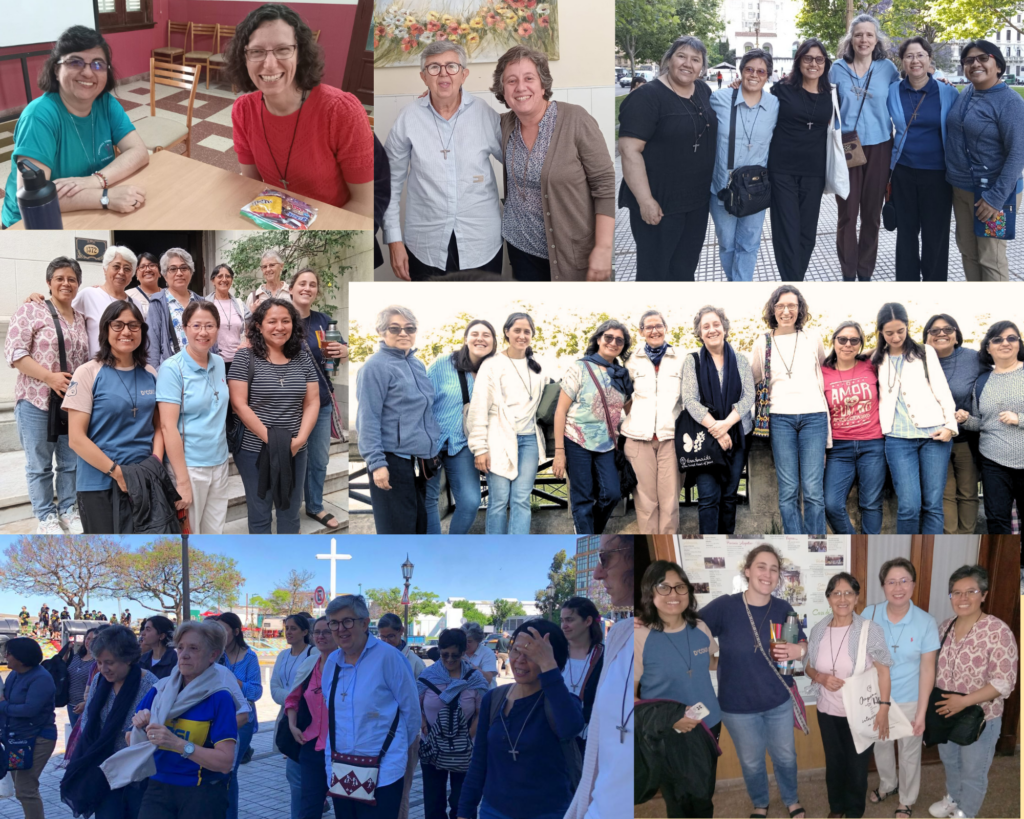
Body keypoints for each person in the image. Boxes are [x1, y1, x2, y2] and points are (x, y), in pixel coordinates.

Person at [226, 3, 373, 215]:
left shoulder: (341, 111)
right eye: (257, 51)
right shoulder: (243, 110)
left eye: (283, 50)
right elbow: (252, 186)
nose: (269, 64)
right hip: (277, 221)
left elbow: (363, 206)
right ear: (244, 58)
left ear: (300, 54)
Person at [697, 544, 808, 819]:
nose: (767, 574)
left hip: (778, 702)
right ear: (747, 571)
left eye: (774, 569)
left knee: (786, 758)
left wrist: (799, 650)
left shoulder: (782, 607)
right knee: (751, 762)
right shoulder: (726, 606)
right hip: (736, 707)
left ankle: (791, 799)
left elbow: (802, 642)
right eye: (761, 566)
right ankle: (760, 803)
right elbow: (690, 628)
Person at [1, 25, 147, 229]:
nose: (88, 72)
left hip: (88, 209)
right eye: (75, 62)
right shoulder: (39, 116)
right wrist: (104, 197)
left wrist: (95, 181)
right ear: (56, 69)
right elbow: (33, 196)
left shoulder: (105, 103)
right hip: (33, 222)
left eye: (98, 64)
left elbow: (139, 151)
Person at [493, 46, 614, 281]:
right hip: (520, 249)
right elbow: (465, 117)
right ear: (502, 89)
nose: (520, 87)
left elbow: (605, 185)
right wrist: (439, 99)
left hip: (572, 251)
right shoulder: (503, 124)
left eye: (529, 78)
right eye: (511, 81)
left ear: (543, 84)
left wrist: (604, 248)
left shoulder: (575, 119)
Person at [384, 42, 504, 280]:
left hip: (481, 243)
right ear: (423, 77)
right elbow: (389, 184)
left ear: (464, 74)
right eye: (434, 68)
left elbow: (517, 162)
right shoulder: (408, 118)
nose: (443, 74)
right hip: (424, 244)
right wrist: (394, 240)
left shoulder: (485, 114)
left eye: (451, 66)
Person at [457, 619, 584, 819]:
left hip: (549, 812)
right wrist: (464, 812)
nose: (519, 660)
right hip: (494, 811)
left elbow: (570, 727)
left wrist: (549, 666)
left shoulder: (561, 703)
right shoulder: (494, 699)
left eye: (531, 654)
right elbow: (479, 762)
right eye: (516, 650)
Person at [619, 36, 717, 281]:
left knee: (685, 270)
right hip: (660, 204)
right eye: (681, 56)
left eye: (696, 60)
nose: (688, 64)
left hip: (696, 203)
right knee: (655, 273)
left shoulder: (703, 90)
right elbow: (630, 150)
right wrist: (645, 201)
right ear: (669, 60)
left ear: (702, 67)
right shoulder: (646, 97)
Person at [5, 256, 89, 534]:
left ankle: (68, 509)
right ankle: (45, 516)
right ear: (48, 282)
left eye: (72, 279)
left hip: (70, 403)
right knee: (39, 464)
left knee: (70, 461)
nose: (66, 283)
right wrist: (49, 377)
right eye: (60, 278)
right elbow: (16, 353)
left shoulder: (81, 319)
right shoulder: (31, 311)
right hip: (36, 399)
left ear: (78, 284)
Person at [64, 300, 164, 534]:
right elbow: (76, 439)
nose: (126, 331)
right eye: (117, 325)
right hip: (99, 483)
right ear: (105, 330)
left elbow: (159, 427)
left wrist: (155, 463)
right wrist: (118, 473)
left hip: (144, 478)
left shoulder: (150, 373)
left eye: (133, 325)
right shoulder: (88, 372)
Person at [123, 620, 238, 819]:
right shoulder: (161, 689)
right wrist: (140, 727)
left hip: (201, 792)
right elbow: (129, 739)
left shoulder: (220, 697)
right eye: (180, 647)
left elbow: (225, 762)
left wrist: (177, 743)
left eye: (193, 648)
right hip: (157, 786)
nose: (184, 655)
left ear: (212, 655)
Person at [928, 565, 1018, 819]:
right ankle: (953, 798)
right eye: (956, 593)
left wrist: (964, 701)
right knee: (951, 762)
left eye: (971, 591)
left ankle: (966, 811)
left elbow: (1004, 683)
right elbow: (931, 668)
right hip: (945, 711)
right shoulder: (944, 627)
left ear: (984, 595)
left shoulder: (997, 631)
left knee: (973, 770)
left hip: (981, 716)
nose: (962, 598)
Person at [634, 560, 721, 817]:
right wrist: (673, 719)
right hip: (666, 730)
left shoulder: (700, 628)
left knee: (704, 792)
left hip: (708, 723)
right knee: (678, 799)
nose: (674, 594)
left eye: (680, 587)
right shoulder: (639, 635)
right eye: (664, 587)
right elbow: (631, 694)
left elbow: (714, 662)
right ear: (650, 592)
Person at [322, 594, 420, 819]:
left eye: (347, 621)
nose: (340, 629)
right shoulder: (332, 663)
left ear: (365, 623)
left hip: (383, 772)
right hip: (342, 769)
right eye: (334, 623)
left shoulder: (389, 658)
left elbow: (411, 713)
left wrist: (398, 752)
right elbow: (333, 714)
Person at [805, 572, 894, 819]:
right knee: (834, 765)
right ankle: (837, 808)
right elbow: (807, 665)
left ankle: (854, 812)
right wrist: (820, 677)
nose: (842, 598)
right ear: (828, 598)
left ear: (856, 599)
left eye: (848, 593)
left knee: (856, 768)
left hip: (861, 713)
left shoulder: (869, 629)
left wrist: (884, 708)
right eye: (836, 593)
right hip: (827, 711)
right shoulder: (819, 629)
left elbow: (884, 672)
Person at [228, 298, 319, 534]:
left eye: (286, 321)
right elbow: (239, 405)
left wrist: (298, 441)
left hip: (295, 448)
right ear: (258, 325)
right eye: (272, 321)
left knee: (290, 510)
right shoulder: (244, 357)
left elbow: (312, 402)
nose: (280, 327)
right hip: (254, 449)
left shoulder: (302, 356)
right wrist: (273, 441)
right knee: (260, 510)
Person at [860, 558, 940, 819]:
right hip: (877, 698)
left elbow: (928, 669)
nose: (898, 587)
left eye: (904, 580)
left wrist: (921, 712)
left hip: (910, 700)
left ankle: (906, 799)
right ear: (883, 586)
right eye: (891, 581)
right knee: (881, 746)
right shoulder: (869, 615)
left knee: (909, 752)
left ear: (913, 584)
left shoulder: (926, 622)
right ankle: (888, 785)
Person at [564, 536, 634, 819]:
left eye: (605, 558)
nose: (596, 572)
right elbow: (597, 759)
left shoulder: (605, 647)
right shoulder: (621, 635)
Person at [750, 286, 830, 534]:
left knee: (814, 489)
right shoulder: (762, 341)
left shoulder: (812, 337)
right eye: (781, 306)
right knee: (788, 489)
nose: (786, 311)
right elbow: (755, 380)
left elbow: (825, 370)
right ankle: (796, 544)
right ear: (773, 309)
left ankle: (816, 544)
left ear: (800, 309)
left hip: (814, 416)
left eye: (792, 306)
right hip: (779, 417)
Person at [356, 305, 441, 534]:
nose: (403, 333)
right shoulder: (374, 368)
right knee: (397, 530)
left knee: (417, 527)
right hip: (391, 461)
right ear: (382, 332)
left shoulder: (417, 364)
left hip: (419, 461)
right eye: (395, 328)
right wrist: (377, 464)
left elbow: (426, 410)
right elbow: (368, 419)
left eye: (409, 328)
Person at [873, 302, 957, 534]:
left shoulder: (924, 352)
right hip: (898, 440)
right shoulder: (876, 359)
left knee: (932, 505)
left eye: (901, 330)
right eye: (889, 332)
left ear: (907, 327)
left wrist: (951, 426)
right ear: (880, 331)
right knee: (909, 506)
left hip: (934, 436)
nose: (896, 336)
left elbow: (942, 390)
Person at [945, 40, 1024, 281]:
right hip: (962, 190)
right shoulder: (968, 91)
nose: (975, 64)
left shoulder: (1010, 103)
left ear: (998, 66)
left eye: (982, 58)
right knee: (968, 253)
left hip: (992, 194)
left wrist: (996, 198)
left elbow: (1018, 153)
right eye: (969, 60)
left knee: (991, 259)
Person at [61, 624, 158, 819]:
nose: (103, 668)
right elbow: (89, 720)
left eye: (110, 662)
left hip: (137, 775)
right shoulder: (99, 681)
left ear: (128, 658)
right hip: (104, 771)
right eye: (99, 662)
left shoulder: (151, 686)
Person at [828, 15, 899, 281]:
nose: (864, 40)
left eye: (869, 35)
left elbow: (905, 93)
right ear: (850, 38)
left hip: (880, 146)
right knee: (848, 213)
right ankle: (848, 273)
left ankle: (865, 272)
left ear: (877, 39)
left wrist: (941, 82)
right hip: (847, 146)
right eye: (858, 34)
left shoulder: (887, 68)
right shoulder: (836, 68)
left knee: (871, 214)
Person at [887, 38, 960, 281]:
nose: (915, 61)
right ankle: (906, 283)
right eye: (909, 56)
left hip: (938, 175)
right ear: (902, 61)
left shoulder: (947, 92)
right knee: (906, 233)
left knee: (935, 235)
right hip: (903, 172)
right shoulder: (892, 91)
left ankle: (934, 283)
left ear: (929, 58)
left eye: (920, 55)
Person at [466, 312, 545, 535]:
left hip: (529, 439)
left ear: (532, 335)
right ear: (507, 333)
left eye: (527, 331)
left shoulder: (538, 366)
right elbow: (479, 408)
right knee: (498, 501)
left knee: (521, 499)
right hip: (498, 439)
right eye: (517, 330)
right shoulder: (492, 365)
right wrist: (480, 448)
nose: (522, 335)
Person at [157, 301, 231, 534]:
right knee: (190, 537)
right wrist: (182, 481)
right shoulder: (172, 369)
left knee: (214, 533)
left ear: (217, 329)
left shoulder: (219, 362)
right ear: (185, 328)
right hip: (190, 467)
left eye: (209, 325)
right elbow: (168, 427)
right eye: (196, 325)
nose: (203, 332)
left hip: (219, 462)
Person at [553, 320, 633, 535]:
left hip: (607, 443)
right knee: (583, 498)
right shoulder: (580, 367)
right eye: (608, 337)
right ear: (598, 339)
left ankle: (590, 531)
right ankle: (587, 537)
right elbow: (560, 411)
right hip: (576, 440)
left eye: (619, 340)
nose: (613, 343)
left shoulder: (622, 375)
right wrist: (559, 452)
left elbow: (630, 411)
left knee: (612, 494)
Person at [768, 39, 838, 281]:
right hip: (782, 170)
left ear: (825, 64)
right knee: (787, 230)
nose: (814, 64)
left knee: (807, 233)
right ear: (798, 61)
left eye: (819, 59)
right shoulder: (781, 90)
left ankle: (796, 277)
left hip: (815, 172)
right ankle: (793, 282)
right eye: (808, 58)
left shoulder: (831, 93)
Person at [682, 305, 755, 534]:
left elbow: (748, 396)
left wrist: (726, 425)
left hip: (738, 436)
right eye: (706, 326)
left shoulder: (741, 360)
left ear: (724, 327)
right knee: (708, 498)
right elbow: (690, 401)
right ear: (699, 332)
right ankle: (709, 550)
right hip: (704, 439)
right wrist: (717, 429)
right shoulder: (692, 361)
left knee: (729, 496)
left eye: (716, 324)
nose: (712, 330)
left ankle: (726, 546)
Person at [708, 49, 780, 281]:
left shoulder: (775, 104)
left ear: (767, 75)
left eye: (761, 71)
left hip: (755, 190)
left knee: (749, 244)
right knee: (727, 244)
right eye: (749, 69)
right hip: (723, 187)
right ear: (741, 72)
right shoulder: (718, 99)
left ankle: (742, 283)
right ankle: (734, 281)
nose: (754, 75)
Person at [426, 319, 497, 534]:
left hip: (464, 444)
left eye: (486, 335)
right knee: (429, 501)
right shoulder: (443, 363)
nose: (480, 339)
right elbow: (422, 400)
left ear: (494, 341)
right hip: (431, 443)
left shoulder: (495, 369)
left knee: (470, 501)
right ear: (465, 339)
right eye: (474, 334)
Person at [290, 268, 347, 530]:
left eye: (312, 284)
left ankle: (314, 505)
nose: (307, 288)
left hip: (321, 402)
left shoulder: (324, 320)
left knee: (319, 458)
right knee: (288, 456)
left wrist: (345, 349)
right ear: (291, 288)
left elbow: (341, 350)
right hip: (287, 403)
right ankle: (287, 506)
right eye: (302, 283)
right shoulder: (279, 315)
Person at [417, 628, 489, 819]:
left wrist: (466, 737)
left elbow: (482, 712)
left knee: (462, 803)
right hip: (432, 747)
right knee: (433, 803)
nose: (449, 660)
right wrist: (424, 726)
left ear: (464, 652)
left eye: (455, 656)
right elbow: (416, 706)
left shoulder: (475, 678)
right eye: (444, 655)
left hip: (465, 750)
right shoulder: (427, 676)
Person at [821, 320, 885, 534]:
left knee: (871, 504)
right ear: (833, 341)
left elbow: (890, 343)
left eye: (854, 340)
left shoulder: (871, 364)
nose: (847, 344)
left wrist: (868, 351)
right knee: (831, 504)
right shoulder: (822, 371)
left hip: (873, 445)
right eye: (842, 339)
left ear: (860, 343)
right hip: (839, 448)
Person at [621, 310, 682, 533]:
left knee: (670, 502)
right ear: (641, 332)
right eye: (649, 327)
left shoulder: (682, 358)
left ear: (666, 328)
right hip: (638, 440)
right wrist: (636, 416)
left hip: (671, 439)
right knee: (646, 504)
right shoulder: (630, 359)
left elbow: (687, 399)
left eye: (658, 326)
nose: (654, 331)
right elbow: (623, 396)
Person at [962, 321, 1024, 533]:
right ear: (988, 347)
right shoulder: (981, 381)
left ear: (1019, 344)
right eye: (997, 339)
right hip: (993, 462)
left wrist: (1020, 418)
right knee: (997, 520)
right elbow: (981, 423)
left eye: (1011, 338)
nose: (1005, 343)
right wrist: (964, 420)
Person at [922, 314, 982, 534]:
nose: (941, 334)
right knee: (944, 494)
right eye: (934, 330)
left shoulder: (974, 358)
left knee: (967, 492)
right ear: (926, 337)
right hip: (933, 439)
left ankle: (966, 535)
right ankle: (951, 538)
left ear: (957, 336)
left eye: (947, 329)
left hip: (966, 437)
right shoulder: (917, 359)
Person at [282, 616, 334, 819]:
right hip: (310, 745)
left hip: (340, 748)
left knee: (346, 805)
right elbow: (292, 698)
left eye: (326, 632)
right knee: (309, 807)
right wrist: (293, 726)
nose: (321, 636)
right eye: (317, 632)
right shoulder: (310, 665)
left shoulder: (347, 665)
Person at [376, 612, 426, 819]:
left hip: (406, 734)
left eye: (391, 637)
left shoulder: (414, 663)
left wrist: (412, 734)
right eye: (382, 637)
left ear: (401, 632)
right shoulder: (377, 657)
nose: (386, 641)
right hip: (379, 733)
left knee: (402, 790)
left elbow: (420, 702)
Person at [0, 638, 57, 819]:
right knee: (21, 786)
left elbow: (30, 709)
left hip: (38, 738)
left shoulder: (41, 678)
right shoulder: (14, 674)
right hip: (17, 738)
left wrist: (2, 706)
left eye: (9, 653)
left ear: (22, 658)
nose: (5, 656)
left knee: (26, 789)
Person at [215, 612, 263, 819]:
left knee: (229, 770)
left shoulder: (249, 657)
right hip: (216, 716)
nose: (218, 634)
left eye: (222, 630)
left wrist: (233, 681)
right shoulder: (215, 654)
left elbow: (256, 692)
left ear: (235, 631)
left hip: (242, 719)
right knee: (217, 770)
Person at [271, 611, 314, 819]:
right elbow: (274, 689)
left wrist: (293, 698)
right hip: (287, 716)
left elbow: (309, 692)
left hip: (307, 720)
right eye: (286, 628)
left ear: (305, 631)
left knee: (302, 777)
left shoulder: (313, 655)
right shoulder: (282, 655)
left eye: (293, 628)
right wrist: (292, 698)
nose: (288, 632)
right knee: (293, 776)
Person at [146, 248, 215, 370]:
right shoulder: (157, 303)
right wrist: (155, 374)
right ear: (165, 275)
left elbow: (213, 340)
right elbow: (152, 345)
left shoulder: (202, 302)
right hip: (172, 371)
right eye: (173, 269)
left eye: (184, 268)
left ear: (191, 272)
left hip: (201, 368)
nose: (179, 273)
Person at [71, 245, 137, 356]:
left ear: (132, 275)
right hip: (95, 368)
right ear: (105, 269)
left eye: (127, 269)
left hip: (127, 368)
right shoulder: (88, 295)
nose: (121, 272)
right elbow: (62, 313)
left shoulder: (136, 304)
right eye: (116, 267)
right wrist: (37, 301)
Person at [559, 597, 604, 756]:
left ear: (588, 621)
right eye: (562, 620)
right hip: (554, 735)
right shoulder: (555, 653)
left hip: (589, 739)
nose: (564, 625)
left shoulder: (604, 656)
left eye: (570, 620)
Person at [208, 264, 250, 375]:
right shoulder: (205, 304)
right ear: (213, 280)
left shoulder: (240, 304)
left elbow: (254, 327)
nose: (224, 279)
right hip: (213, 360)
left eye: (228, 276)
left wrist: (248, 342)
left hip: (239, 361)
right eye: (220, 276)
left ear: (231, 280)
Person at [66, 627, 98, 728]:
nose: (89, 642)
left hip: (87, 707)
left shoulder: (98, 662)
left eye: (93, 640)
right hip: (71, 705)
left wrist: (86, 703)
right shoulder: (76, 657)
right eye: (88, 638)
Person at [125, 252, 162, 319]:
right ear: (136, 274)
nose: (147, 269)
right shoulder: (127, 296)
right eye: (142, 267)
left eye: (152, 265)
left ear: (159, 272)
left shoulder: (169, 295)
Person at [461, 622, 499, 690]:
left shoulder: (487, 653)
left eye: (469, 641)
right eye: (463, 641)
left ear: (478, 640)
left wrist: (468, 665)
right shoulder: (459, 652)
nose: (465, 644)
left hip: (485, 695)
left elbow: (488, 679)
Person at [139, 615, 178, 680]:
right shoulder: (142, 659)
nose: (143, 633)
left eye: (148, 630)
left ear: (162, 636)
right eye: (144, 629)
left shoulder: (175, 660)